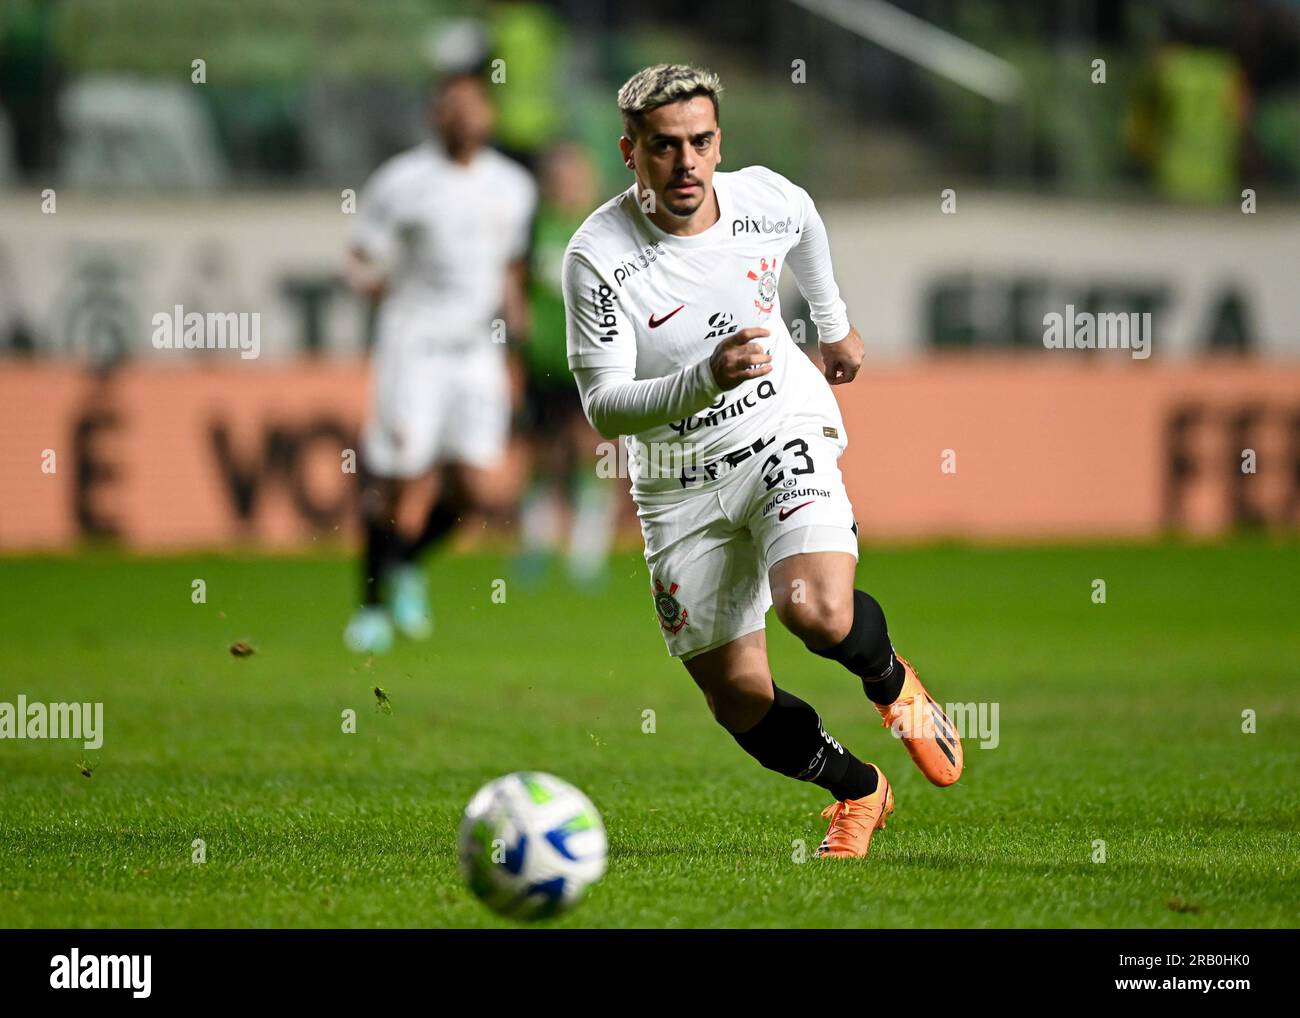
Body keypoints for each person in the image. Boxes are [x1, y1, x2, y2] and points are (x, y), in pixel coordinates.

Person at [561, 64, 963, 859]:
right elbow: (604, 406)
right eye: (664, 147)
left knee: (814, 609)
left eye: (701, 142)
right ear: (629, 152)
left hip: (781, 428)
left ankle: (890, 683)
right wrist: (702, 377)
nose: (686, 164)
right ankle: (858, 790)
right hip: (677, 483)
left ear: (719, 142)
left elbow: (805, 222)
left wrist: (834, 324)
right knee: (737, 699)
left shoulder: (763, 200)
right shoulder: (597, 256)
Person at [344, 70, 536, 653]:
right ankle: (371, 609)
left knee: (477, 489)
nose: (464, 117)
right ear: (435, 115)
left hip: (478, 347)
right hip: (416, 345)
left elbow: (508, 265)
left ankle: (405, 564)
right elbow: (359, 257)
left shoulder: (513, 185)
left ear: (491, 116)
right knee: (400, 476)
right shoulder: (402, 181)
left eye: (475, 106)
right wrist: (382, 296)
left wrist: (516, 314)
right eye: (452, 106)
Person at [515, 142, 617, 588]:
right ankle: (536, 542)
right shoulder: (535, 228)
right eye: (559, 176)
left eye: (574, 176)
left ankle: (586, 550)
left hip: (592, 360)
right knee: (542, 452)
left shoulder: (604, 230)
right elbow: (516, 286)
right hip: (543, 356)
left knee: (589, 446)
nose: (566, 185)